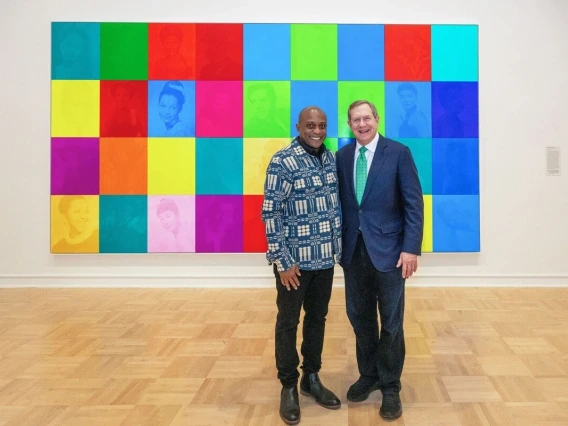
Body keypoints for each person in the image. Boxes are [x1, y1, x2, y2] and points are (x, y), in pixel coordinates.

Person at [336, 100, 424, 420]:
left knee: (390, 322)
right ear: (350, 124)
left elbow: (413, 205)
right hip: (353, 252)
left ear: (376, 119)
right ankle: (369, 374)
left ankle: (390, 386)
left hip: (390, 253)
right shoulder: (343, 156)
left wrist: (411, 248)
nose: (362, 124)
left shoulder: (398, 153)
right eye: (355, 120)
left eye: (366, 118)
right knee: (360, 319)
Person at [262, 106, 342, 425]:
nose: (317, 130)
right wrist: (282, 260)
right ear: (298, 126)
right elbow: (271, 212)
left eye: (322, 125)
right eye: (311, 125)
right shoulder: (283, 161)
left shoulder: (332, 159)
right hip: (294, 264)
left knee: (317, 319)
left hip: (324, 261)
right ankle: (288, 386)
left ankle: (311, 378)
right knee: (288, 322)